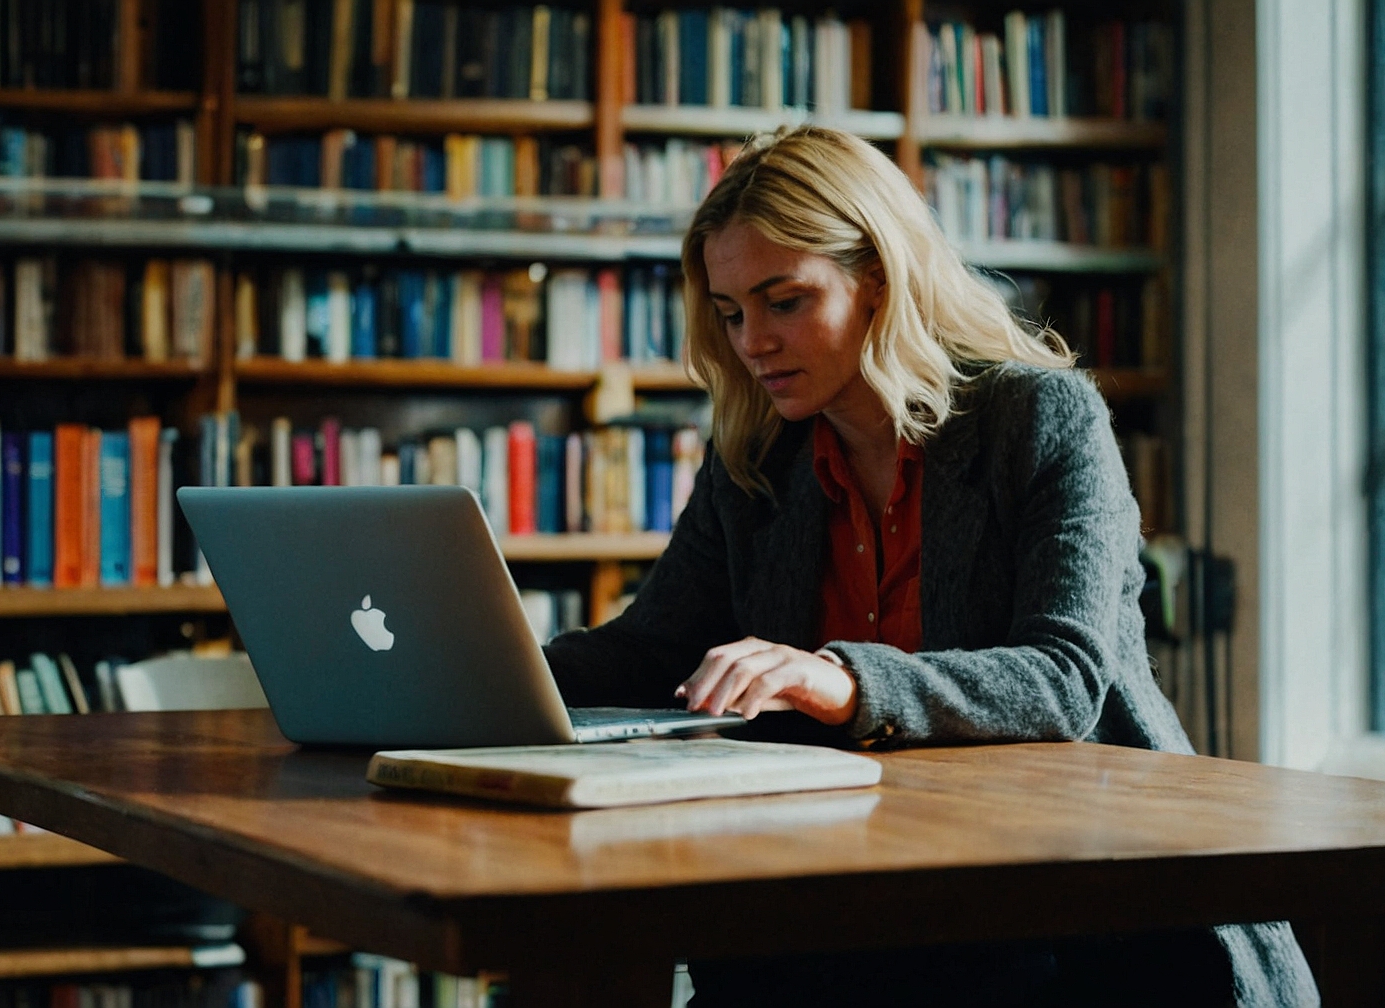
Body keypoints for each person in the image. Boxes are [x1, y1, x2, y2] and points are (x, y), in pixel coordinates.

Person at [541, 127, 1317, 1007]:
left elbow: (1062, 680)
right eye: (729, 312)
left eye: (783, 301)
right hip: (845, 889)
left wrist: (840, 680)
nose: (752, 341)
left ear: (879, 276)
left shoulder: (1041, 417)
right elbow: (652, 650)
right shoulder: (756, 459)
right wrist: (486, 668)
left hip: (1082, 899)